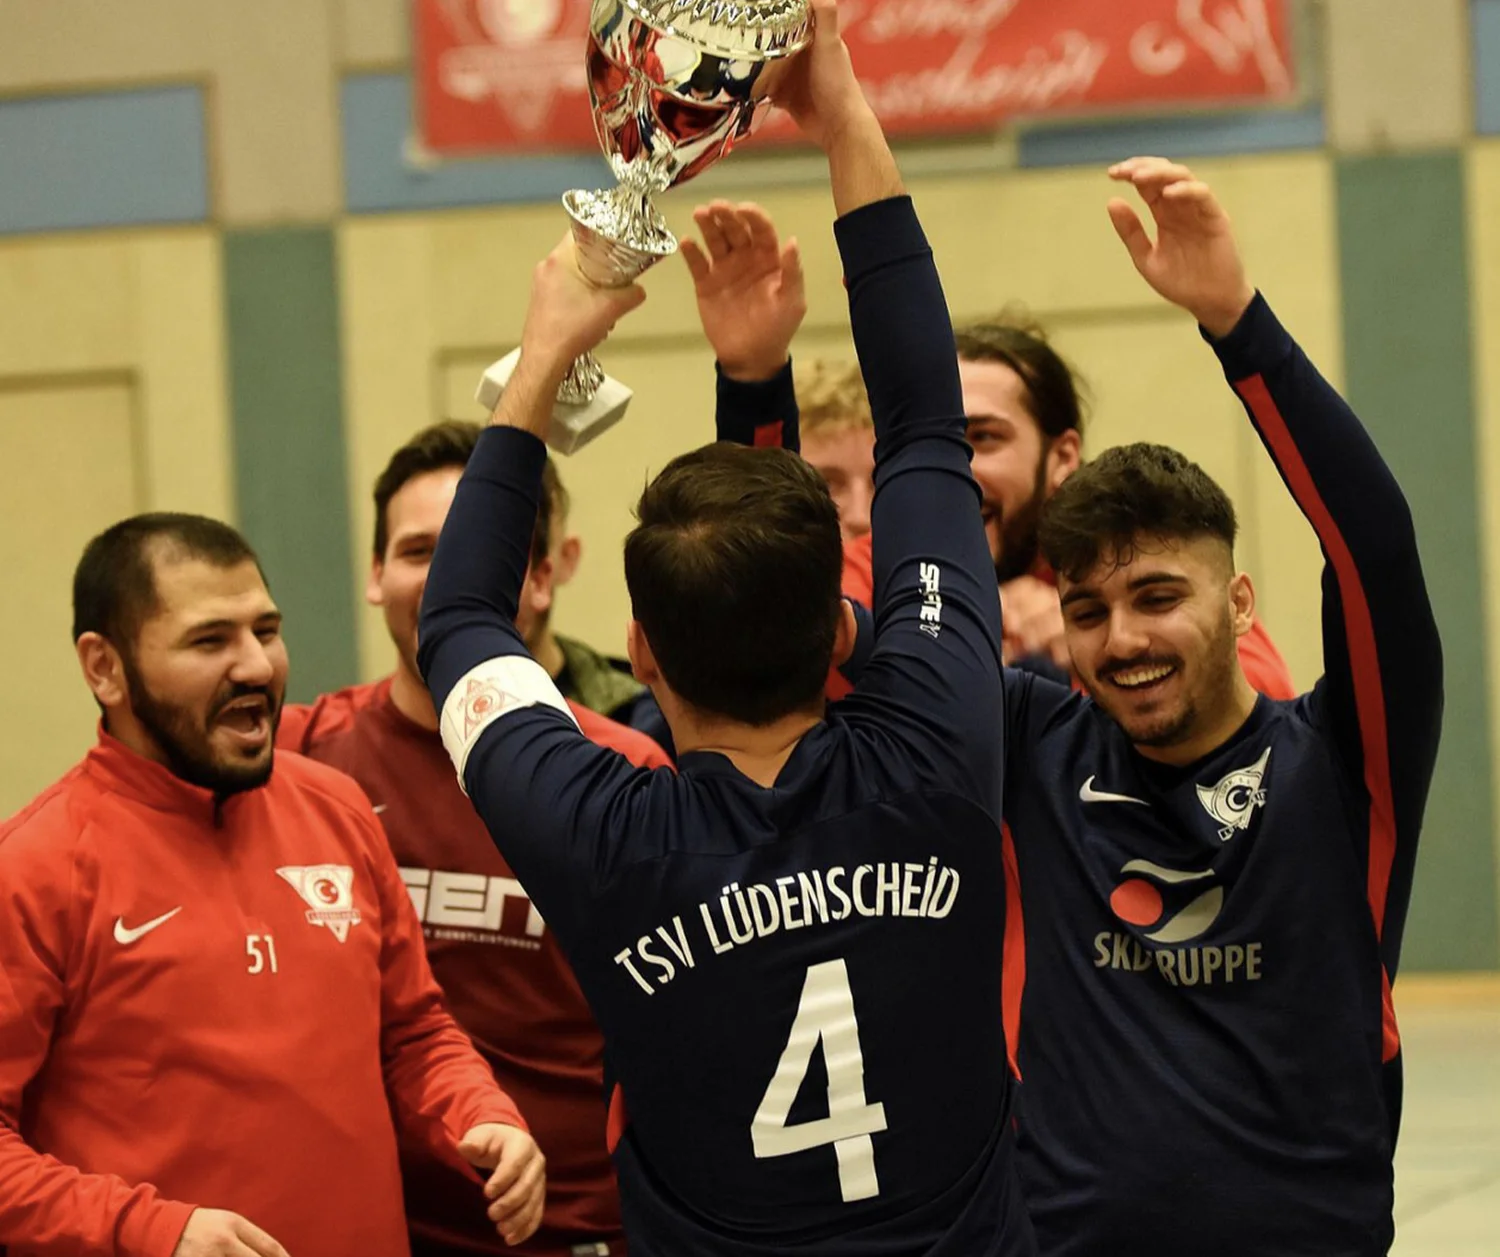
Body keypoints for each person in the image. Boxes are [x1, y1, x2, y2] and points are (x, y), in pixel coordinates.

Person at [417, 3, 1033, 1252]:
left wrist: (547, 351)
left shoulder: (602, 836)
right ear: (843, 637)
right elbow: (925, 423)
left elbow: (460, 622)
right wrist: (838, 105)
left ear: (641, 654)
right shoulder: (938, 745)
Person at [0, 513, 546, 1257]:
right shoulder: (35, 866)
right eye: (210, 639)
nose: (257, 666)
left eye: (266, 629)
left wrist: (479, 1113)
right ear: (105, 667)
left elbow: (413, 1030)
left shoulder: (337, 807)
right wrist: (153, 1231)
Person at [280, 421, 670, 1257]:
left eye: (472, 551)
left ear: (540, 576)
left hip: (582, 1232)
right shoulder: (299, 759)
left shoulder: (621, 768)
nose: (446, 579)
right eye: (419, 551)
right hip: (379, 1231)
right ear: (376, 575)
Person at [691, 203, 1297, 698]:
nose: (951, 469)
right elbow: (766, 614)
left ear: (1062, 458)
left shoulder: (1144, 558)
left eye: (982, 438)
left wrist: (1085, 637)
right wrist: (753, 379)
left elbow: (1255, 704)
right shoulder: (875, 562)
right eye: (926, 442)